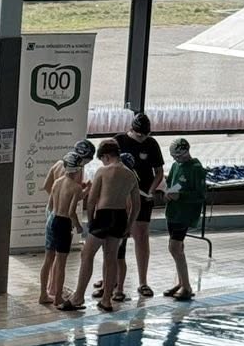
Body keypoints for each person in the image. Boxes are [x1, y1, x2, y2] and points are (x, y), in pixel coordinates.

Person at [64, 139, 140, 314]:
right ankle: (106, 300)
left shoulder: (103, 171)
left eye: (102, 159)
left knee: (87, 254)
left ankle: (78, 297)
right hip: (120, 217)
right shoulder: (130, 175)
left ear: (106, 156)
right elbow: (136, 205)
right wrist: (128, 226)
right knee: (111, 258)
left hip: (104, 216)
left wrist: (91, 221)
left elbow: (92, 200)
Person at [117, 112, 166, 297]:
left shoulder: (151, 144)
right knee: (116, 238)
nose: (142, 138)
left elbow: (159, 172)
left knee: (142, 236)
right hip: (121, 196)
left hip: (143, 196)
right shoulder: (119, 141)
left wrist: (151, 191)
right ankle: (111, 279)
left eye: (145, 135)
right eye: (139, 135)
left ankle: (143, 281)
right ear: (131, 129)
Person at [39, 150, 85, 308]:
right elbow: (71, 212)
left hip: (53, 220)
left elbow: (51, 205)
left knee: (48, 260)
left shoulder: (57, 182)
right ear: (77, 170)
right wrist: (78, 226)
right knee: (61, 262)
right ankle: (58, 297)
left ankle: (43, 294)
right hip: (64, 223)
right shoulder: (76, 188)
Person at [163, 137, 207, 301]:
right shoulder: (176, 166)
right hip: (173, 212)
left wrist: (180, 196)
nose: (177, 160)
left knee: (174, 248)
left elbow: (200, 195)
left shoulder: (196, 169)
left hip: (185, 213)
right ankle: (181, 282)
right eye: (174, 157)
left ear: (187, 152)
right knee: (177, 248)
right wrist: (167, 193)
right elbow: (170, 184)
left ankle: (187, 286)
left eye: (179, 157)